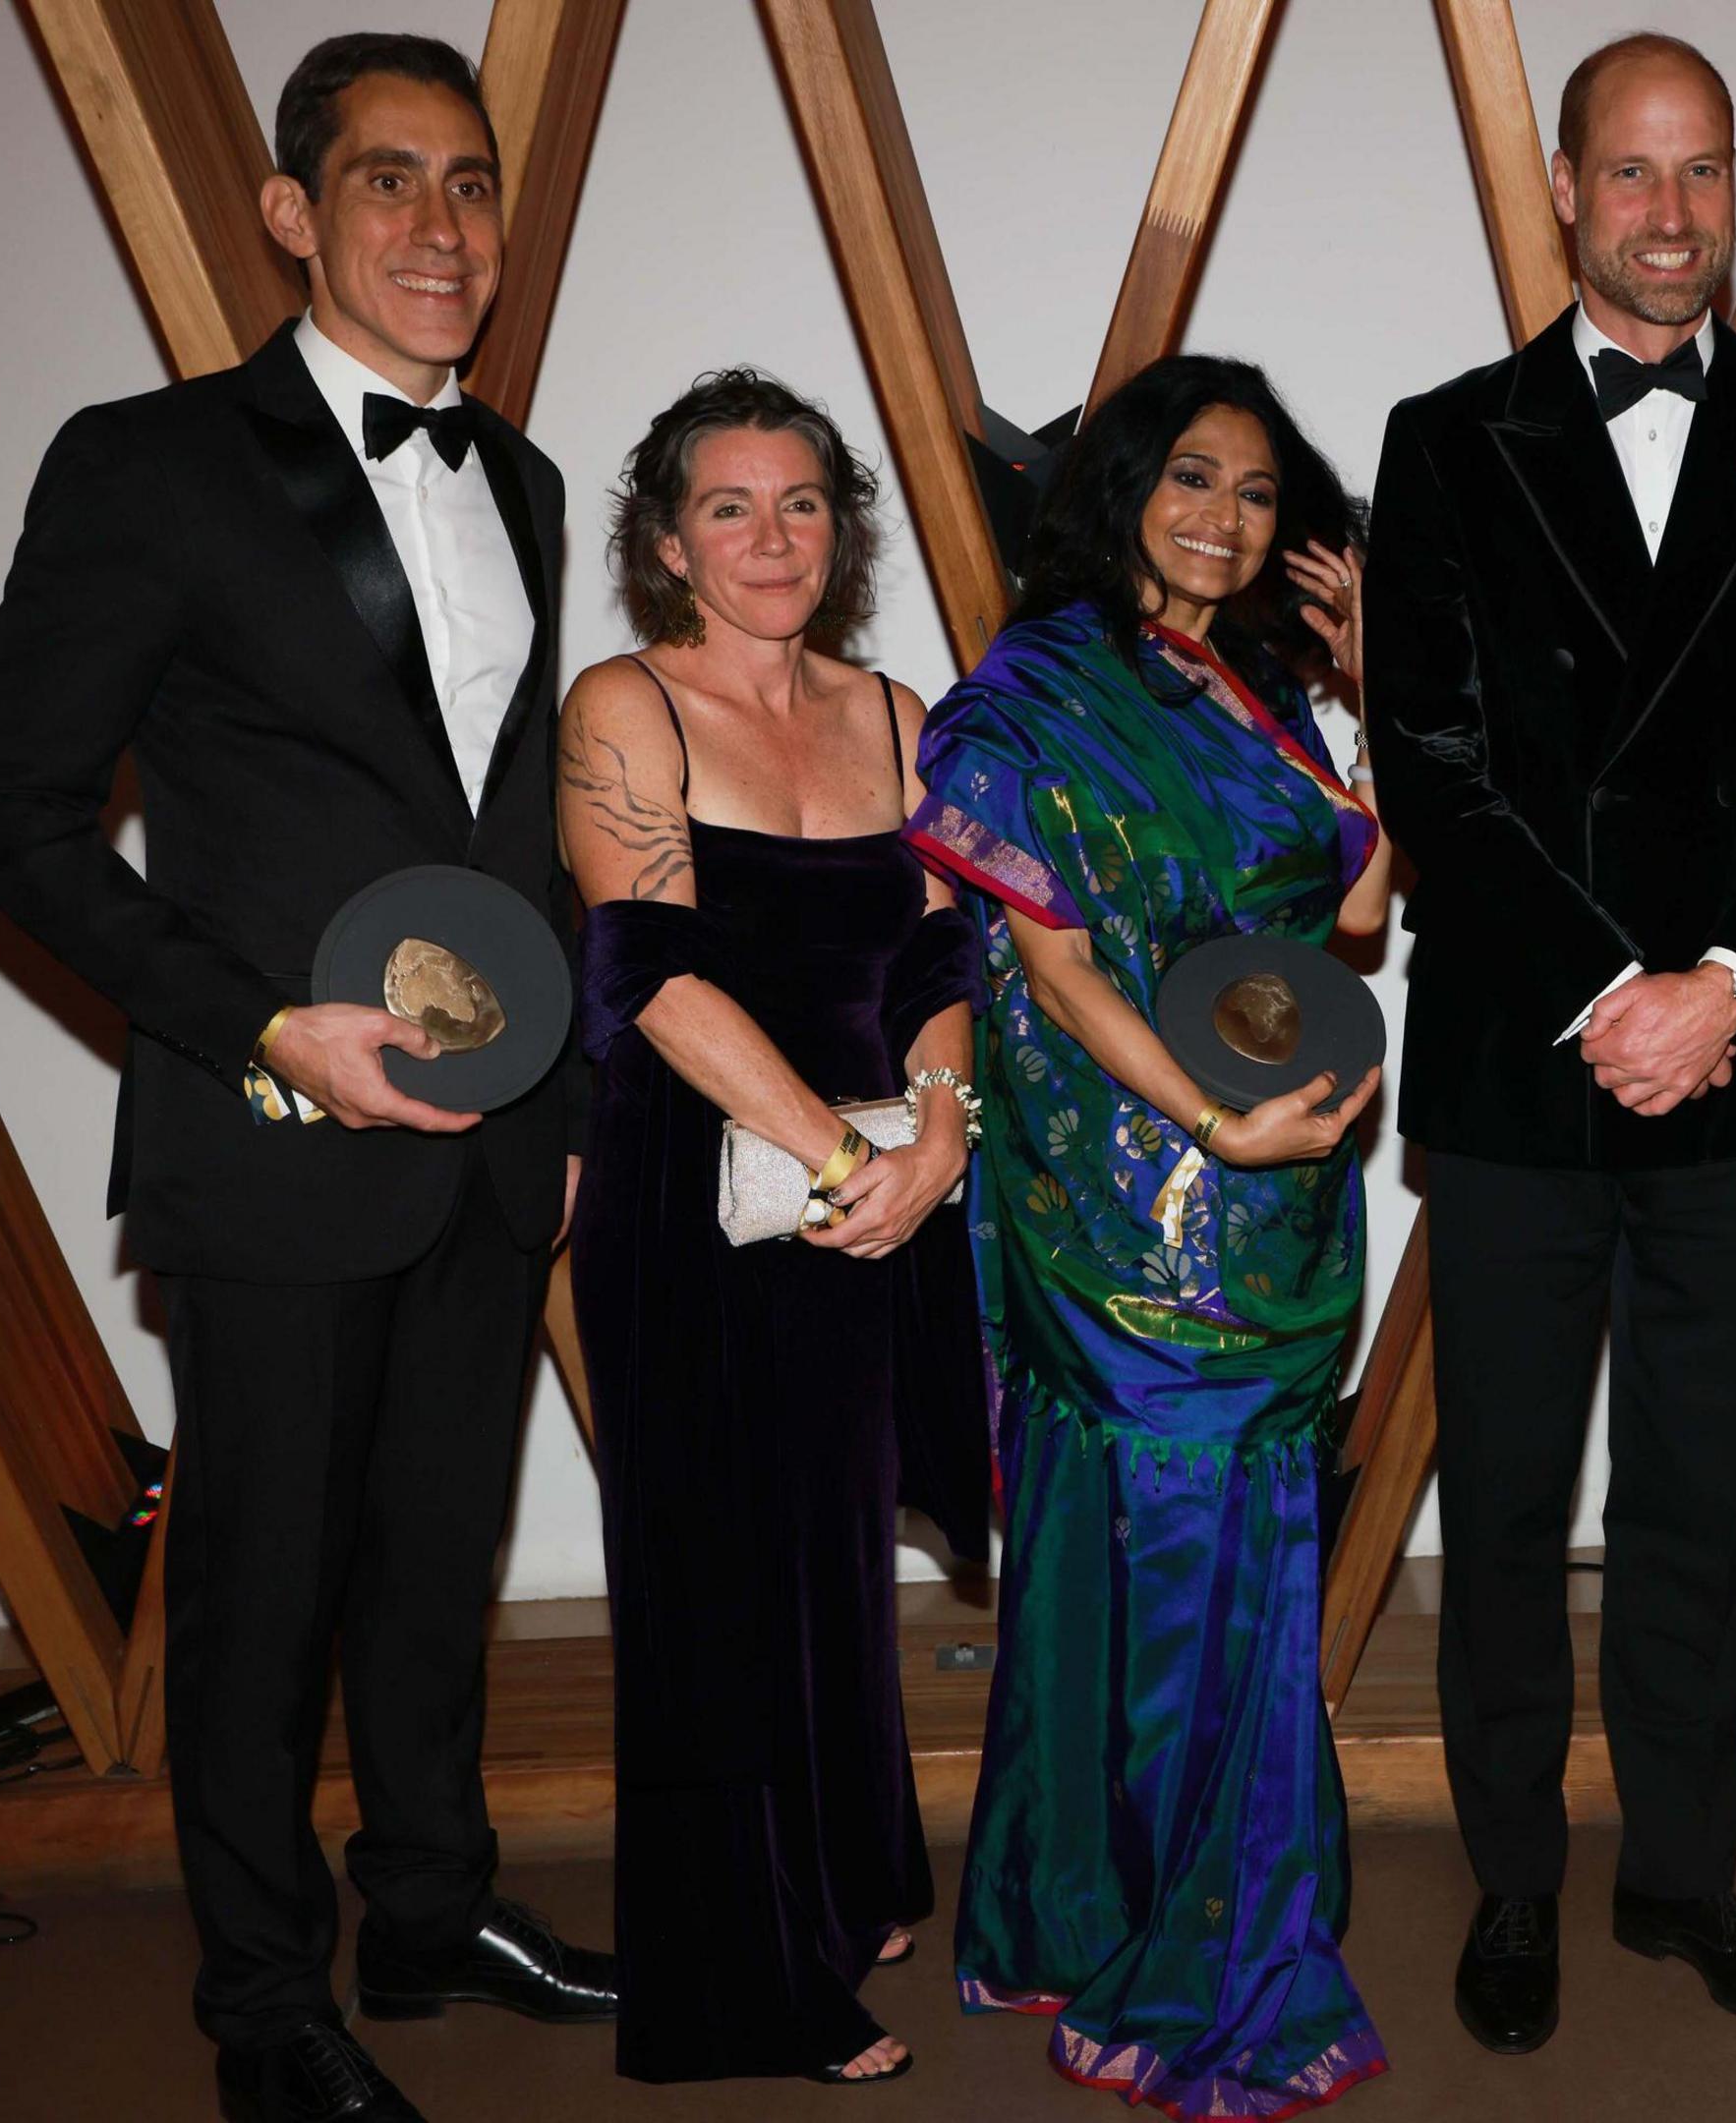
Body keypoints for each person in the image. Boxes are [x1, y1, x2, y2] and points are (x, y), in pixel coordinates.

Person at [0, 34, 615, 2123]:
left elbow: (507, 839)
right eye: (390, 180)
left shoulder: (522, 480)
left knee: (436, 1560)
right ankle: (261, 2010)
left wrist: (564, 1106)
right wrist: (255, 1027)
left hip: (490, 1148)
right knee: (257, 1600)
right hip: (273, 1138)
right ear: (294, 216)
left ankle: (428, 1909)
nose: (442, 225)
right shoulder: (148, 464)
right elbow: (3, 815)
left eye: (472, 183)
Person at [1364, 31, 1736, 2056]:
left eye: (1703, 172)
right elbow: (1428, 758)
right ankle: (1516, 1877)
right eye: (1632, 172)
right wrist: (1614, 993)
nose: (1671, 214)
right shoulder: (1447, 438)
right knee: (1507, 1497)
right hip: (1528, 1059)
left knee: (1696, 1501)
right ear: (1568, 192)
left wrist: (1729, 986)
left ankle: (1684, 1881)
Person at [910, 354, 1392, 2117]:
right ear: (1121, 488)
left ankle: (1086, 1902)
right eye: (1192, 477)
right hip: (1125, 1204)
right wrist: (1208, 1124)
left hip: (1279, 1188)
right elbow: (1050, 964)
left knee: (1214, 1553)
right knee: (1175, 1561)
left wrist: (1368, 687)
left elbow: (1355, 908)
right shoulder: (1034, 689)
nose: (1224, 519)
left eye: (1258, 494)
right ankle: (1191, 1945)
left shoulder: (1254, 690)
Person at [555, 371, 985, 2086]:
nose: (770, 537)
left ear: (840, 528)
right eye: (727, 507)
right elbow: (648, 969)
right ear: (667, 543)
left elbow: (942, 951)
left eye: (801, 502)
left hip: (875, 1190)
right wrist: (839, 1157)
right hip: (697, 1199)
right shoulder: (625, 706)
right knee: (714, 1585)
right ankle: (746, 1981)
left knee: (834, 1558)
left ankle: (845, 1877)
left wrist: (938, 1132)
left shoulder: (897, 710)